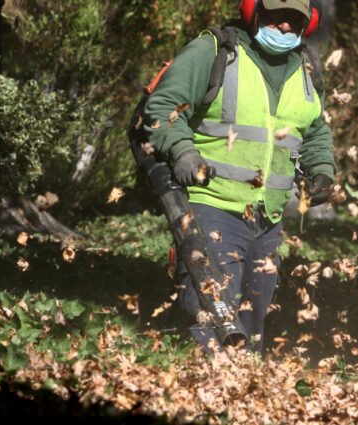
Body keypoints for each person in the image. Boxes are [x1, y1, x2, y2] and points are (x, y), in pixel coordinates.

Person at [142, 0, 336, 352]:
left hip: (268, 220)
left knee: (252, 325)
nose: (285, 28)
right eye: (278, 17)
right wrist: (182, 151)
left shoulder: (306, 68)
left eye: (295, 20)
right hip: (210, 206)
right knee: (213, 320)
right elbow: (162, 106)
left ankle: (243, 399)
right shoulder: (215, 51)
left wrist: (322, 168)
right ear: (254, 12)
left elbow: (315, 130)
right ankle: (201, 397)